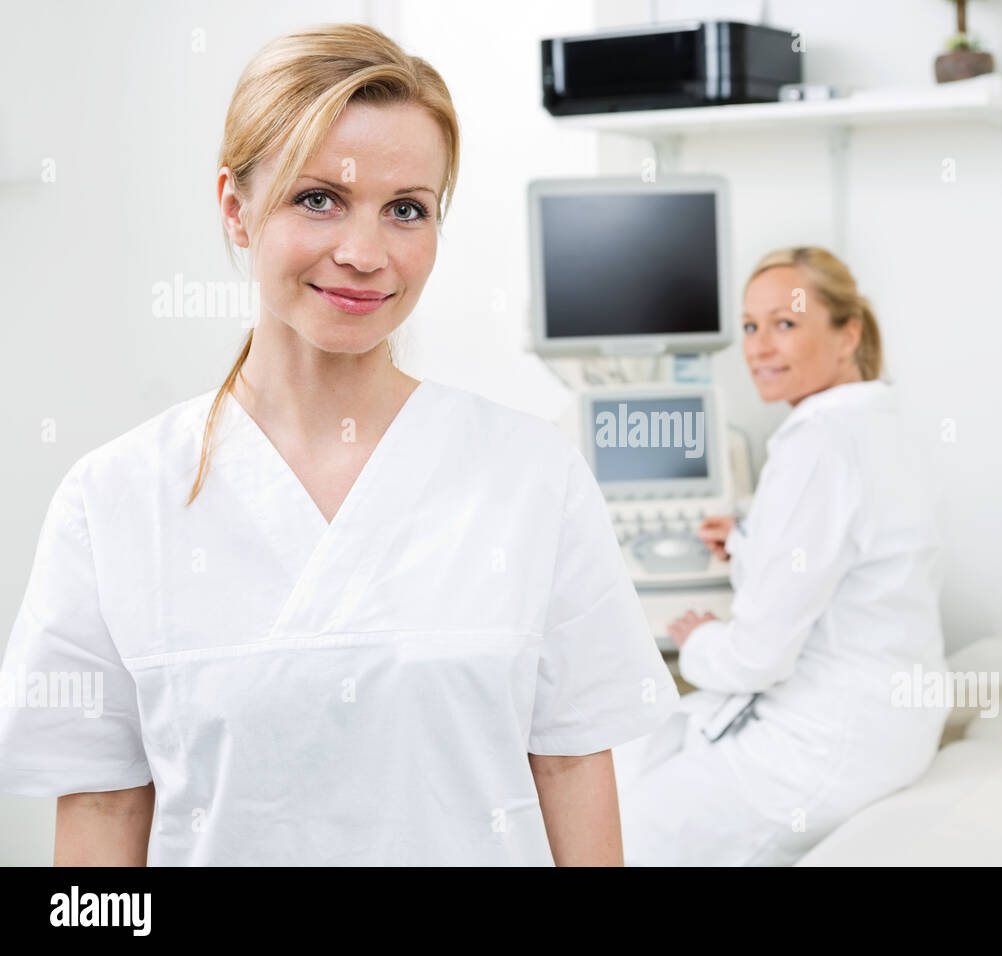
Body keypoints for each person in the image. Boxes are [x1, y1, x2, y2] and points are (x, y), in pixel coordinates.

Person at [0, 22, 678, 866]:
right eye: (317, 198)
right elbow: (102, 812)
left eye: (406, 210)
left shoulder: (531, 478)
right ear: (235, 209)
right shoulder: (114, 501)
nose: (364, 254)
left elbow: (573, 764)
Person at [613, 247, 951, 866]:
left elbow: (757, 658)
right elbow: (844, 556)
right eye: (750, 326)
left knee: (615, 828)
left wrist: (698, 640)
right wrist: (750, 539)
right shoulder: (877, 421)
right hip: (892, 724)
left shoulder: (816, 441)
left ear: (847, 333)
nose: (760, 347)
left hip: (825, 744)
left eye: (786, 324)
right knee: (629, 757)